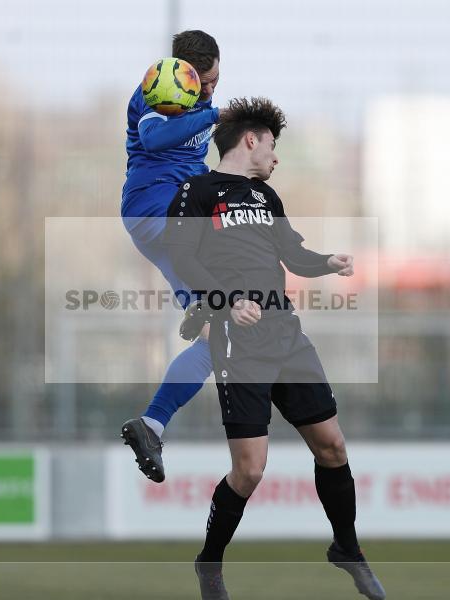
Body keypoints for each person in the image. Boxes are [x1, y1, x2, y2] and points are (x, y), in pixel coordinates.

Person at [164, 98, 386, 600]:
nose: (275, 156)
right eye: (272, 144)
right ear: (250, 140)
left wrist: (328, 260)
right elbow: (183, 261)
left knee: (332, 445)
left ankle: (346, 547)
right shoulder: (195, 192)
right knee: (251, 469)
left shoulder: (267, 198)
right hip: (236, 338)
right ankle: (210, 563)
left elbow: (293, 255)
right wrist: (224, 303)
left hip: (285, 333)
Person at [120, 29, 222, 482]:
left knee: (219, 339)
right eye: (207, 81)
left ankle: (152, 424)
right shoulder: (153, 94)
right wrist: (216, 113)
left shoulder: (203, 105)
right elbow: (159, 142)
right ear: (185, 75)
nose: (212, 89)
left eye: (218, 81)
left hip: (172, 221)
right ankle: (205, 299)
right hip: (157, 208)